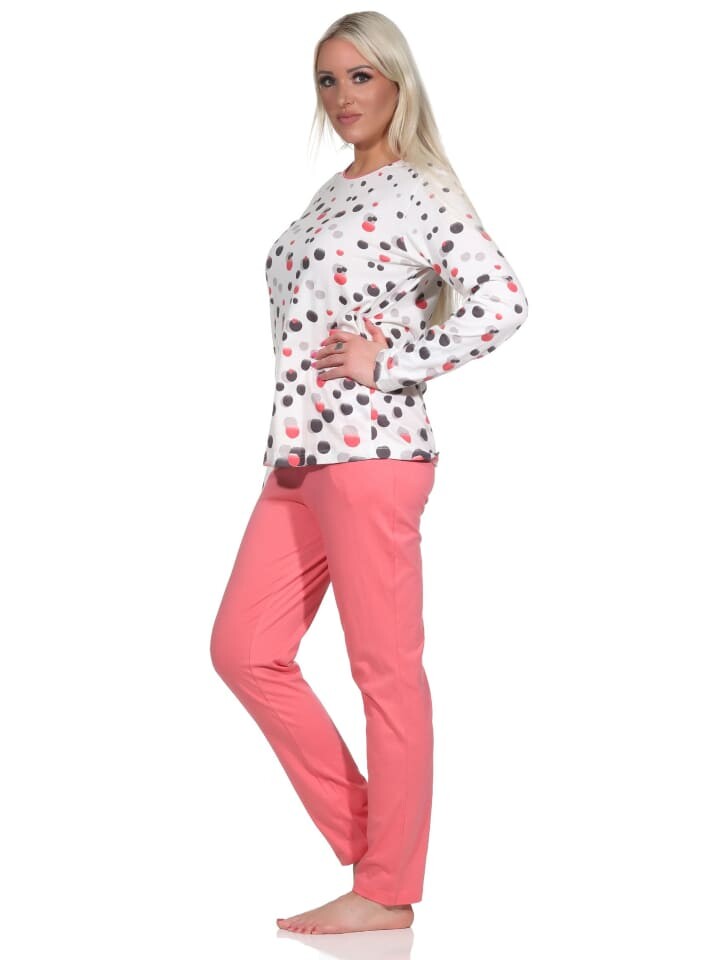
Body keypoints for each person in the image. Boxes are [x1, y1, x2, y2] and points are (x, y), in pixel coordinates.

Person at [210, 11, 529, 935]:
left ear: (396, 81)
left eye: (360, 76)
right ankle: (373, 839)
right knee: (243, 649)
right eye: (328, 80)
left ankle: (386, 886)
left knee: (384, 672)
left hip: (374, 454)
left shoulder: (421, 187)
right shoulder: (330, 194)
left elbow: (504, 302)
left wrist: (388, 361)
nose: (343, 96)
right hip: (298, 457)